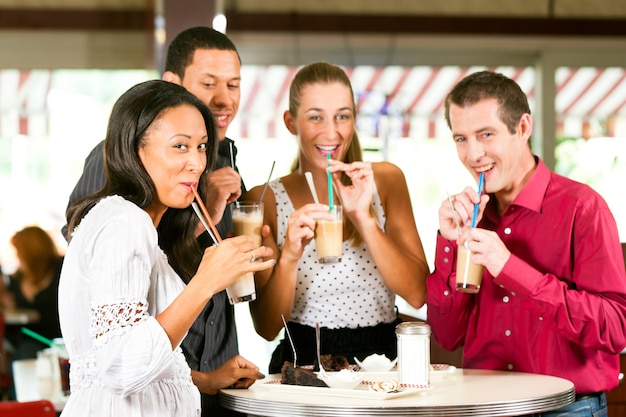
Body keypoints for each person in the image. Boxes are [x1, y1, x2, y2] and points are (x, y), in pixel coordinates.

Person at [59, 80, 274, 416]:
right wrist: (206, 283)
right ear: (134, 149)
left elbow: (137, 359)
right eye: (180, 146)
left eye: (202, 146)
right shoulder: (124, 222)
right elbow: (121, 369)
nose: (197, 163)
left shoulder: (137, 224)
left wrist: (205, 380)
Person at [426, 71, 626, 416]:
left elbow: (614, 329)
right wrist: (447, 244)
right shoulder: (470, 217)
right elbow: (446, 335)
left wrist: (510, 268)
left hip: (569, 410)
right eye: (461, 138)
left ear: (522, 128)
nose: (473, 153)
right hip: (484, 408)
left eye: (485, 135)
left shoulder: (583, 207)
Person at [244, 62, 430, 374]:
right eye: (315, 117)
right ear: (291, 122)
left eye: (342, 116)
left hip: (382, 363)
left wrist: (364, 219)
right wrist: (289, 255)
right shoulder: (265, 199)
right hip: (302, 364)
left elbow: (417, 293)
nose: (332, 132)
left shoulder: (385, 180)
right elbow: (266, 327)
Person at [1, 226, 63, 360]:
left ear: (31, 252)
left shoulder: (61, 270)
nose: (17, 256)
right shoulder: (16, 280)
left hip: (57, 342)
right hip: (26, 341)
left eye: (19, 251)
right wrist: (9, 306)